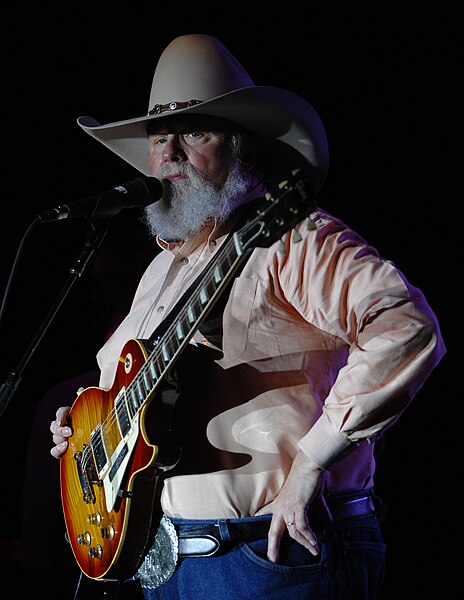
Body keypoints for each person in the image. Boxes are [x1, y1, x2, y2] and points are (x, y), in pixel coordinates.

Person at [49, 34, 445, 600]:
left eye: (195, 132)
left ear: (246, 150)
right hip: (165, 562)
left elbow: (405, 327)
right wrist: (88, 435)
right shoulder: (159, 274)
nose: (170, 154)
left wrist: (309, 466)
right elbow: (130, 394)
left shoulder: (292, 235)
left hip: (273, 553)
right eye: (160, 139)